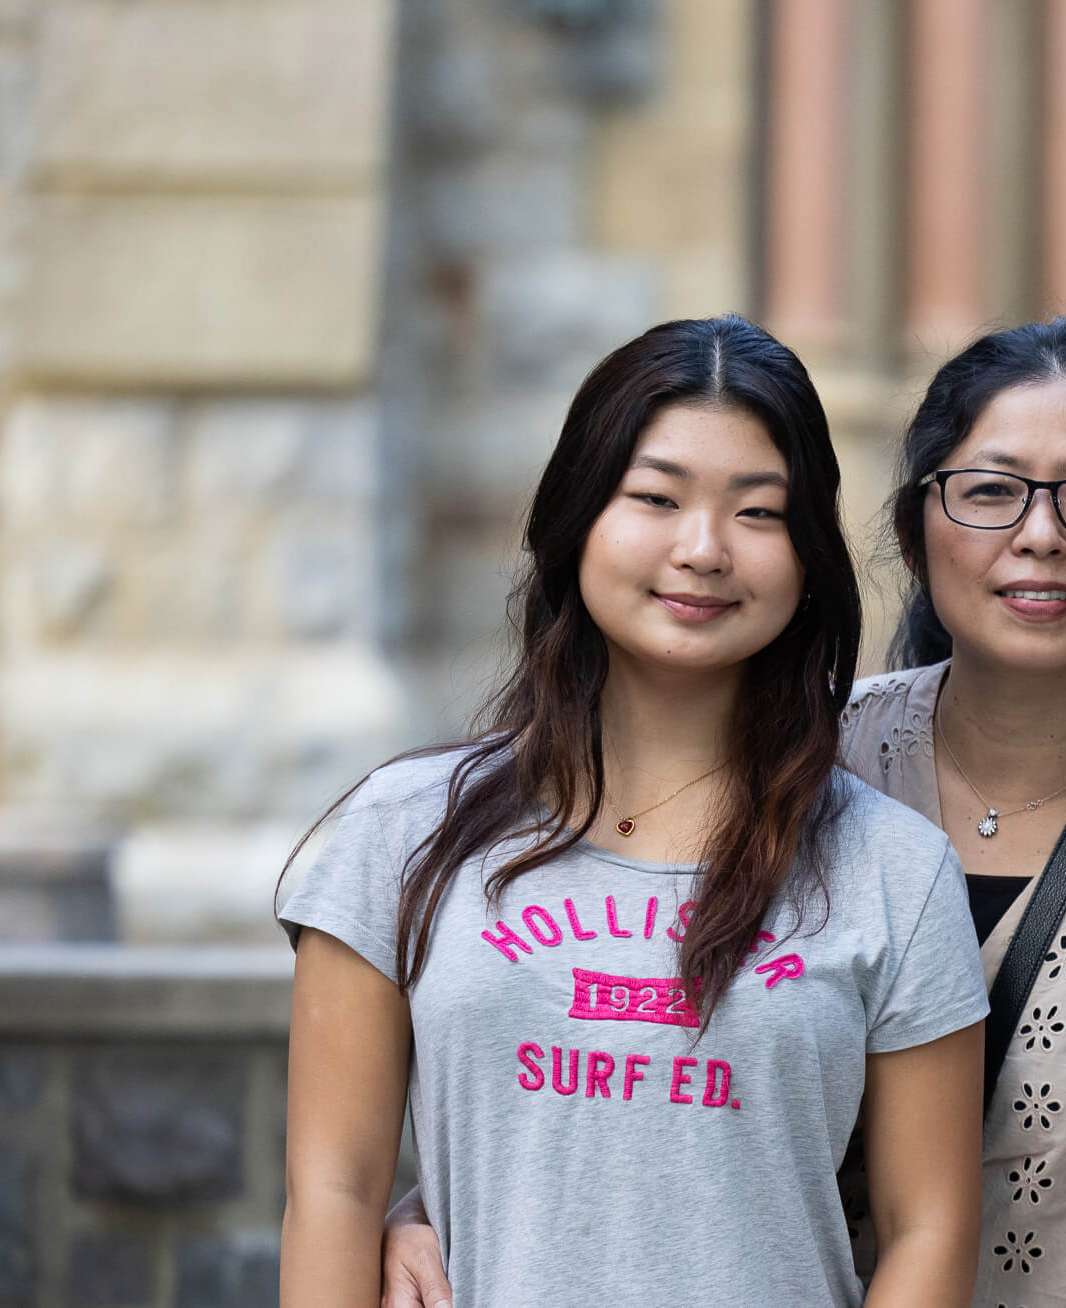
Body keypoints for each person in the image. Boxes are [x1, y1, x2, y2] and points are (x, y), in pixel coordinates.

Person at [373, 319, 1066, 1307]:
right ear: (911, 531)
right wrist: (422, 1215)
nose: (1041, 535)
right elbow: (601, 1066)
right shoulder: (781, 762)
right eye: (990, 491)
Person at [278, 316, 989, 1307]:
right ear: (577, 520)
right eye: (655, 497)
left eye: (758, 512)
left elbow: (930, 1231)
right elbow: (333, 1193)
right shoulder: (403, 834)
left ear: (808, 554)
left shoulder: (894, 870)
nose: (701, 549)